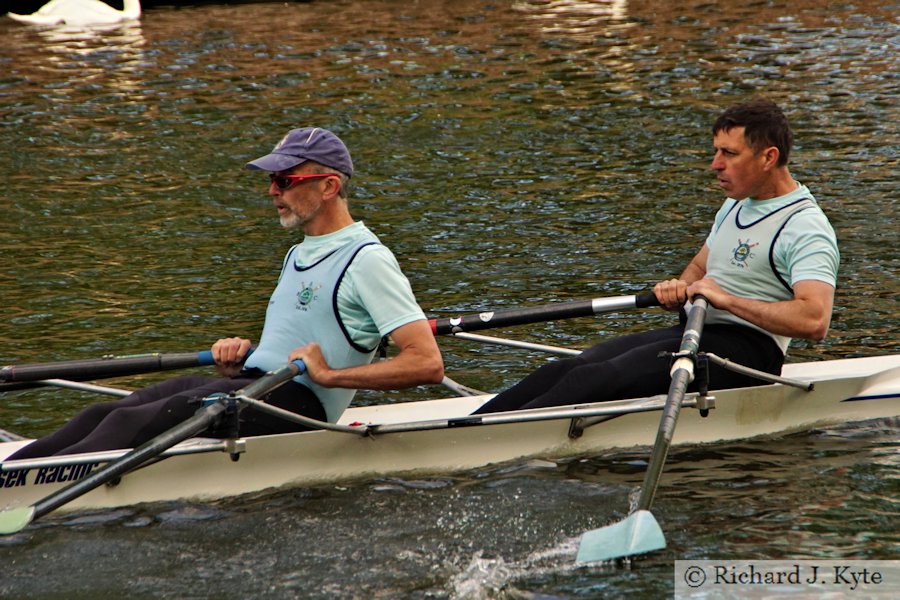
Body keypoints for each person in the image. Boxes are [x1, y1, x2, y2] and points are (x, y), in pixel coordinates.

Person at [8, 127, 444, 459]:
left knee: (131, 420)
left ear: (328, 186)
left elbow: (425, 362)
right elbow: (300, 338)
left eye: (285, 180)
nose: (272, 191)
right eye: (272, 180)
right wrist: (246, 353)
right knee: (103, 413)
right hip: (255, 384)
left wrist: (330, 376)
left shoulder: (367, 259)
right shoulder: (299, 254)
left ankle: (29, 491)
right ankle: (14, 475)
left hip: (299, 405)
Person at [473, 97, 838, 414]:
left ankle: (489, 446)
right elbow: (699, 268)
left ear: (768, 157)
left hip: (749, 355)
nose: (715, 164)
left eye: (729, 153)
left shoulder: (805, 226)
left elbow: (814, 320)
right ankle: (469, 429)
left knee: (597, 378)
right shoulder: (737, 205)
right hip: (696, 332)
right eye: (716, 151)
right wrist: (678, 287)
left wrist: (725, 300)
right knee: (568, 368)